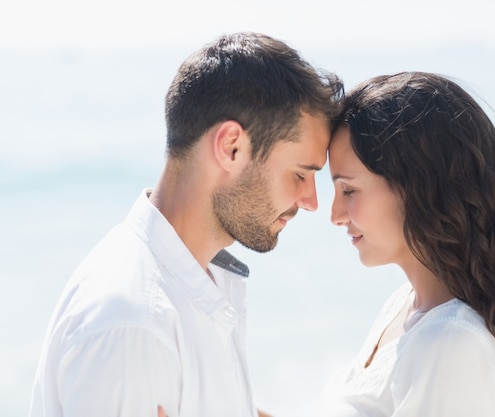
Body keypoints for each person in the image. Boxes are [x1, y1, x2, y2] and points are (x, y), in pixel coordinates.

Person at [28, 32, 343, 417]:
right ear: (231, 147)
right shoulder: (135, 327)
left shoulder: (190, 284)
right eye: (300, 174)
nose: (311, 202)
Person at [319, 72, 495, 417]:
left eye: (348, 190)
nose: (335, 214)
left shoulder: (451, 342)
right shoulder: (404, 306)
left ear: (417, 186)